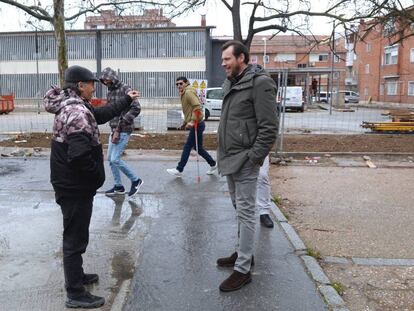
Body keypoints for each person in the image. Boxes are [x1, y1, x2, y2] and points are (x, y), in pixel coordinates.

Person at [44, 65, 139, 309]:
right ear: (80, 86)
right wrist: (96, 176)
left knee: (77, 233)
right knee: (74, 238)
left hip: (69, 184)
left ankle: (78, 276)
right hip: (74, 186)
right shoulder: (76, 112)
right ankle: (75, 293)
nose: (94, 87)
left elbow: (99, 115)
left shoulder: (74, 105)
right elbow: (78, 156)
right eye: (91, 83)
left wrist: (126, 101)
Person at [216, 41, 278, 292]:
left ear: (242, 58)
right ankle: (244, 252)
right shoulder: (233, 82)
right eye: (222, 60)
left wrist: (255, 157)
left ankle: (243, 270)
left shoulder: (260, 83)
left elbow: (269, 127)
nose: (223, 64)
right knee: (239, 209)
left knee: (246, 211)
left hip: (245, 160)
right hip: (230, 158)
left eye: (227, 59)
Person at [99, 67, 143, 197]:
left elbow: (136, 108)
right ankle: (118, 186)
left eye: (107, 79)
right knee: (110, 159)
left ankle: (136, 180)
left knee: (115, 159)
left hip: (123, 129)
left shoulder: (125, 88)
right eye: (103, 80)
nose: (106, 82)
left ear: (113, 78)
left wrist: (122, 123)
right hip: (113, 129)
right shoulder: (110, 92)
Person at [166, 76, 217, 177]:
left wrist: (193, 121)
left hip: (197, 124)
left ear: (186, 83)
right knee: (199, 148)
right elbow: (188, 110)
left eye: (180, 83)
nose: (178, 86)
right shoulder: (184, 93)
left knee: (188, 146)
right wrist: (185, 123)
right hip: (197, 123)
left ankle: (179, 169)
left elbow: (197, 107)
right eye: (177, 84)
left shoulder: (188, 92)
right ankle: (213, 164)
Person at [257, 155, 274, 228]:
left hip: (260, 146)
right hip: (240, 147)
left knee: (262, 176)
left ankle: (264, 212)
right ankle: (241, 213)